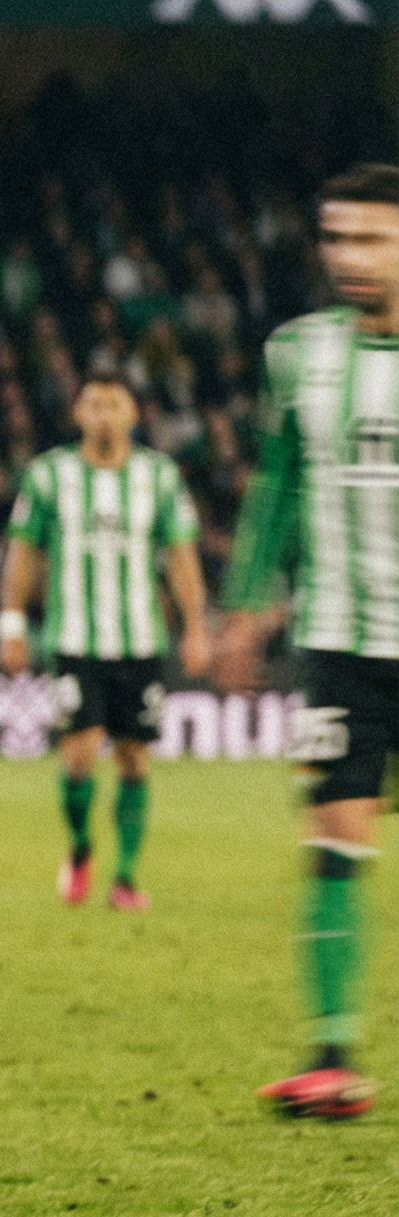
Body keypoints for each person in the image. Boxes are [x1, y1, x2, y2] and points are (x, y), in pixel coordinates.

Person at [215, 162, 399, 1122]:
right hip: (341, 642)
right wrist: (246, 607)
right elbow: (278, 483)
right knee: (334, 843)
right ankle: (333, 1059)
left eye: (370, 238)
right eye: (335, 238)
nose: (348, 258)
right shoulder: (299, 352)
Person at [0, 370, 210, 911]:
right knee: (79, 754)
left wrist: (196, 626)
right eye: (94, 404)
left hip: (140, 643)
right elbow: (24, 550)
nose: (104, 414)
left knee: (135, 758)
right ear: (78, 414)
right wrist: (12, 623)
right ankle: (81, 848)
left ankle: (127, 877)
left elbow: (181, 555)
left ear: (134, 414)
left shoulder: (159, 477)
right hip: (74, 639)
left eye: (115, 404)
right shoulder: (49, 475)